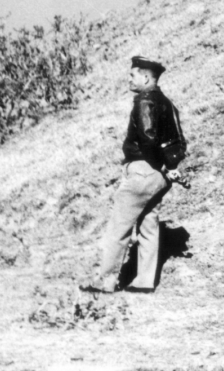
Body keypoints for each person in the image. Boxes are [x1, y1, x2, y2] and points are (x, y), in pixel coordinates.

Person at [81, 56, 186, 294]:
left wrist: (157, 164)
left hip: (143, 169)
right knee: (149, 224)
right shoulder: (167, 102)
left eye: (133, 75)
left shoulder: (145, 101)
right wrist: (168, 166)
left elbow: (148, 138)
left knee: (119, 227)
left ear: (146, 77)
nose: (129, 78)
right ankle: (145, 281)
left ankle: (105, 281)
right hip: (160, 174)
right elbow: (175, 140)